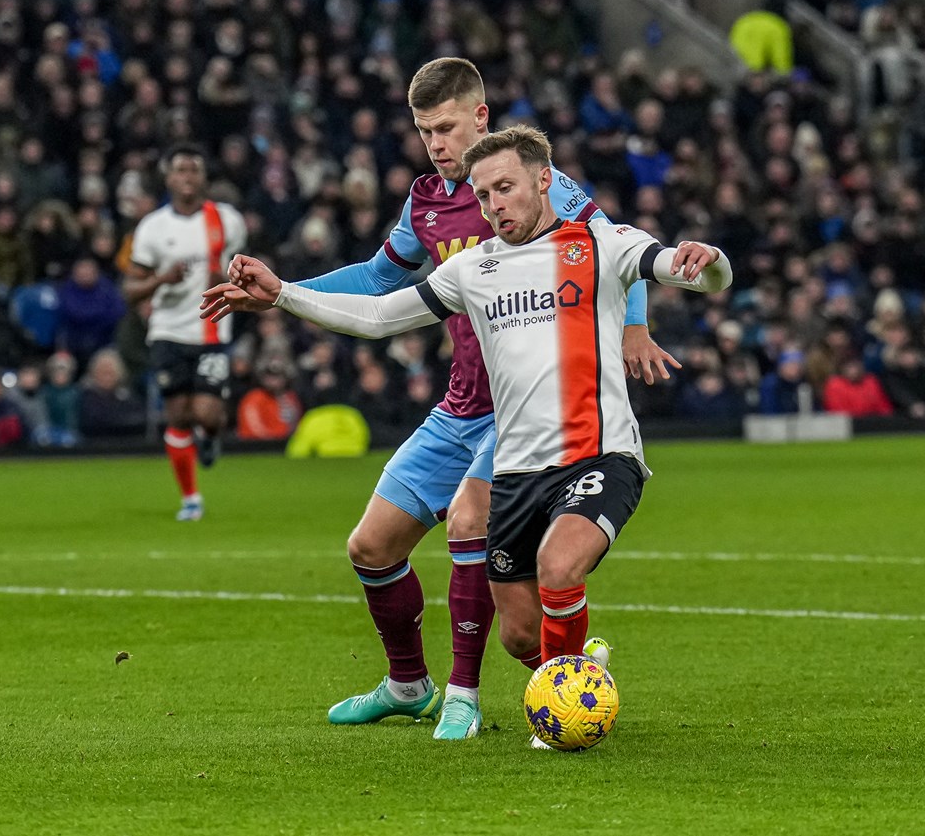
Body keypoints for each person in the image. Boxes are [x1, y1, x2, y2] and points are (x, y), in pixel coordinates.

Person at [201, 125, 732, 748]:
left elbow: (691, 272)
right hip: (515, 472)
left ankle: (562, 718)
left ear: (544, 182)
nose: (493, 205)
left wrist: (709, 261)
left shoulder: (600, 243)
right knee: (518, 636)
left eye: (505, 188)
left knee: (559, 566)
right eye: (482, 196)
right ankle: (579, 671)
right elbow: (379, 314)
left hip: (598, 454)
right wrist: (285, 295)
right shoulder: (473, 271)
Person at [122, 144, 246, 521]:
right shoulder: (153, 228)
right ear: (168, 177)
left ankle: (209, 437)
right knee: (177, 415)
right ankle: (191, 498)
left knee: (208, 414)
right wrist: (162, 279)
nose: (188, 177)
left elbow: (249, 269)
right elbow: (130, 289)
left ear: (204, 177)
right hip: (168, 331)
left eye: (195, 169)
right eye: (181, 170)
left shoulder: (227, 220)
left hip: (212, 328)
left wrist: (226, 278)